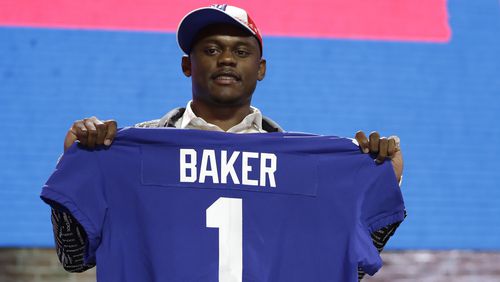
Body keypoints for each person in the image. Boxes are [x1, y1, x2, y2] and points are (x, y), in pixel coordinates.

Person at [50, 4, 404, 280]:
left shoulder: (306, 168)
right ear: (187, 64)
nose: (227, 59)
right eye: (212, 49)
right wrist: (76, 164)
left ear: (261, 68)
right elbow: (73, 257)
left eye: (241, 51)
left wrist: (382, 178)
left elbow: (343, 268)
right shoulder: (125, 152)